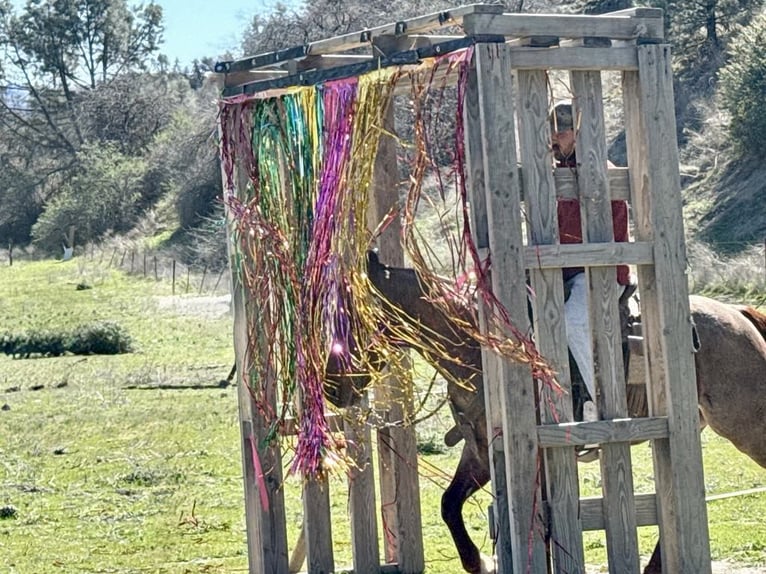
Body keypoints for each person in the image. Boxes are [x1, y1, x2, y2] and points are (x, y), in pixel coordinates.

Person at [550, 101, 633, 423]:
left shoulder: (602, 173)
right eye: (552, 131)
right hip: (561, 272)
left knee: (572, 321)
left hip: (597, 272)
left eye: (561, 131)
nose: (554, 139)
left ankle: (599, 399)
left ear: (579, 133)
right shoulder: (556, 175)